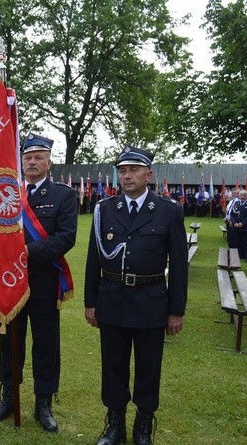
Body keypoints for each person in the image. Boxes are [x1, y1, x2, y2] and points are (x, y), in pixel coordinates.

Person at [84, 146, 187, 445]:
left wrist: (176, 310)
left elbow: (179, 266)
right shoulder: (105, 210)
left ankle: (143, 425)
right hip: (112, 299)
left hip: (150, 301)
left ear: (148, 174)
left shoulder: (168, 211)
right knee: (113, 365)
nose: (127, 176)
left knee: (148, 367)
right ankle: (115, 425)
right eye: (122, 170)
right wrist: (91, 302)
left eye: (133, 170)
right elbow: (93, 260)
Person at [0, 133, 78, 432]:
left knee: (46, 344)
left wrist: (25, 253)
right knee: (8, 342)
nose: (33, 162)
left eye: (39, 157)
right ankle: (9, 396)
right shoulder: (6, 191)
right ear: (20, 161)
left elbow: (66, 237)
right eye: (28, 157)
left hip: (43, 282)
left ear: (49, 162)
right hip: (9, 284)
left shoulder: (63, 196)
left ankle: (43, 404)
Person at [230, 189, 247, 261]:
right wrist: (234, 222)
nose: (243, 197)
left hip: (245, 228)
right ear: (239, 196)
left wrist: (242, 223)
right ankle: (237, 257)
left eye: (244, 195)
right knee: (236, 242)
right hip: (236, 227)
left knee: (246, 243)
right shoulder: (236, 203)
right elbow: (232, 214)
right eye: (241, 195)